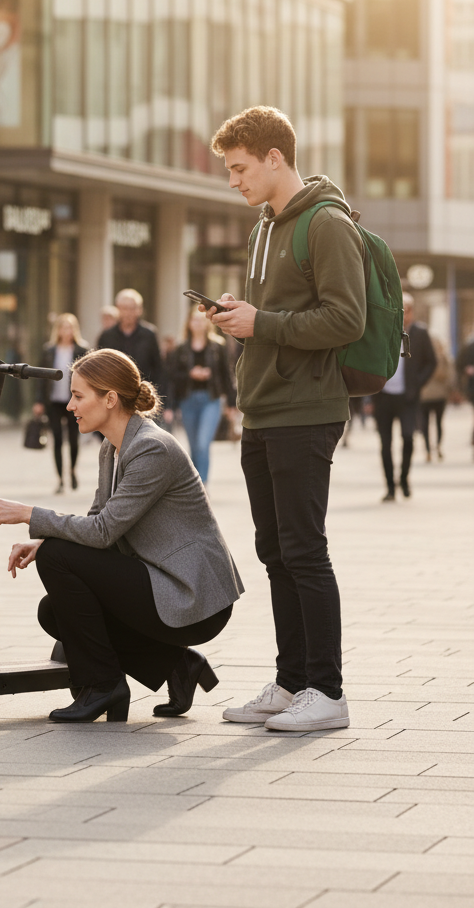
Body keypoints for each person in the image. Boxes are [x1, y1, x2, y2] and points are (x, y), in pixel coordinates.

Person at [0, 348, 243, 723]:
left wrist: (30, 515)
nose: (70, 406)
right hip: (161, 581)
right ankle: (176, 665)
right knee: (54, 612)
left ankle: (103, 685)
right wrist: (44, 538)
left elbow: (102, 532)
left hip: (194, 596)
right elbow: (99, 520)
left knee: (56, 559)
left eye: (78, 396)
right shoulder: (111, 448)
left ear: (110, 399)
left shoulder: (151, 448)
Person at [207, 105, 366, 731]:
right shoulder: (263, 229)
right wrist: (238, 317)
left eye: (240, 168)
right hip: (262, 407)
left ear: (275, 158)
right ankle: (292, 681)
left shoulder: (326, 223)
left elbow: (346, 318)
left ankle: (327, 692)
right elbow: (271, 318)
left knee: (304, 550)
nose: (234, 181)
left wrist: (262, 323)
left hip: (307, 409)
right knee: (274, 551)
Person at [371, 294, 436, 501]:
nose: (403, 314)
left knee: (408, 437)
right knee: (385, 443)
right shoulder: (383, 330)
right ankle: (390, 487)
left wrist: (417, 384)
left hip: (407, 398)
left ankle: (404, 478)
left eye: (407, 310)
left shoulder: (420, 333)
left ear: (412, 312)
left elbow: (431, 362)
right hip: (384, 397)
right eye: (399, 309)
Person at [169, 308, 236, 485]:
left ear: (207, 323)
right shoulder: (181, 348)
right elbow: (173, 376)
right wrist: (190, 374)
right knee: (193, 446)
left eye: (201, 320)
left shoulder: (217, 346)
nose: (197, 323)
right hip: (188, 400)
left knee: (202, 443)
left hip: (211, 400)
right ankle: (194, 484)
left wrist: (231, 403)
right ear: (189, 323)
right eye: (194, 320)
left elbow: (227, 375)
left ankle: (203, 484)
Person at [33, 313, 89, 494]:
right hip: (53, 401)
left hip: (74, 401)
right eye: (63, 327)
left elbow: (89, 377)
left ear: (75, 330)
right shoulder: (49, 350)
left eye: (70, 327)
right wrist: (39, 400)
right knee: (57, 439)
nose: (67, 331)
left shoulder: (82, 349)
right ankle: (60, 479)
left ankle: (72, 471)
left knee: (73, 439)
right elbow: (41, 377)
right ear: (58, 330)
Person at [97, 289, 170, 425]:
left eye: (132, 308)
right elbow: (99, 368)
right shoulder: (106, 336)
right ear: (118, 309)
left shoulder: (150, 334)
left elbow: (159, 369)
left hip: (143, 399)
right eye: (125, 308)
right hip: (115, 400)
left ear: (139, 310)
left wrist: (163, 400)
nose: (128, 312)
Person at [419, 333, 453, 462]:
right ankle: (436, 446)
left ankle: (428, 449)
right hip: (438, 396)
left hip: (426, 395)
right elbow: (449, 376)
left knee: (426, 424)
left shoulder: (423, 358)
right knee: (437, 423)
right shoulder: (443, 358)